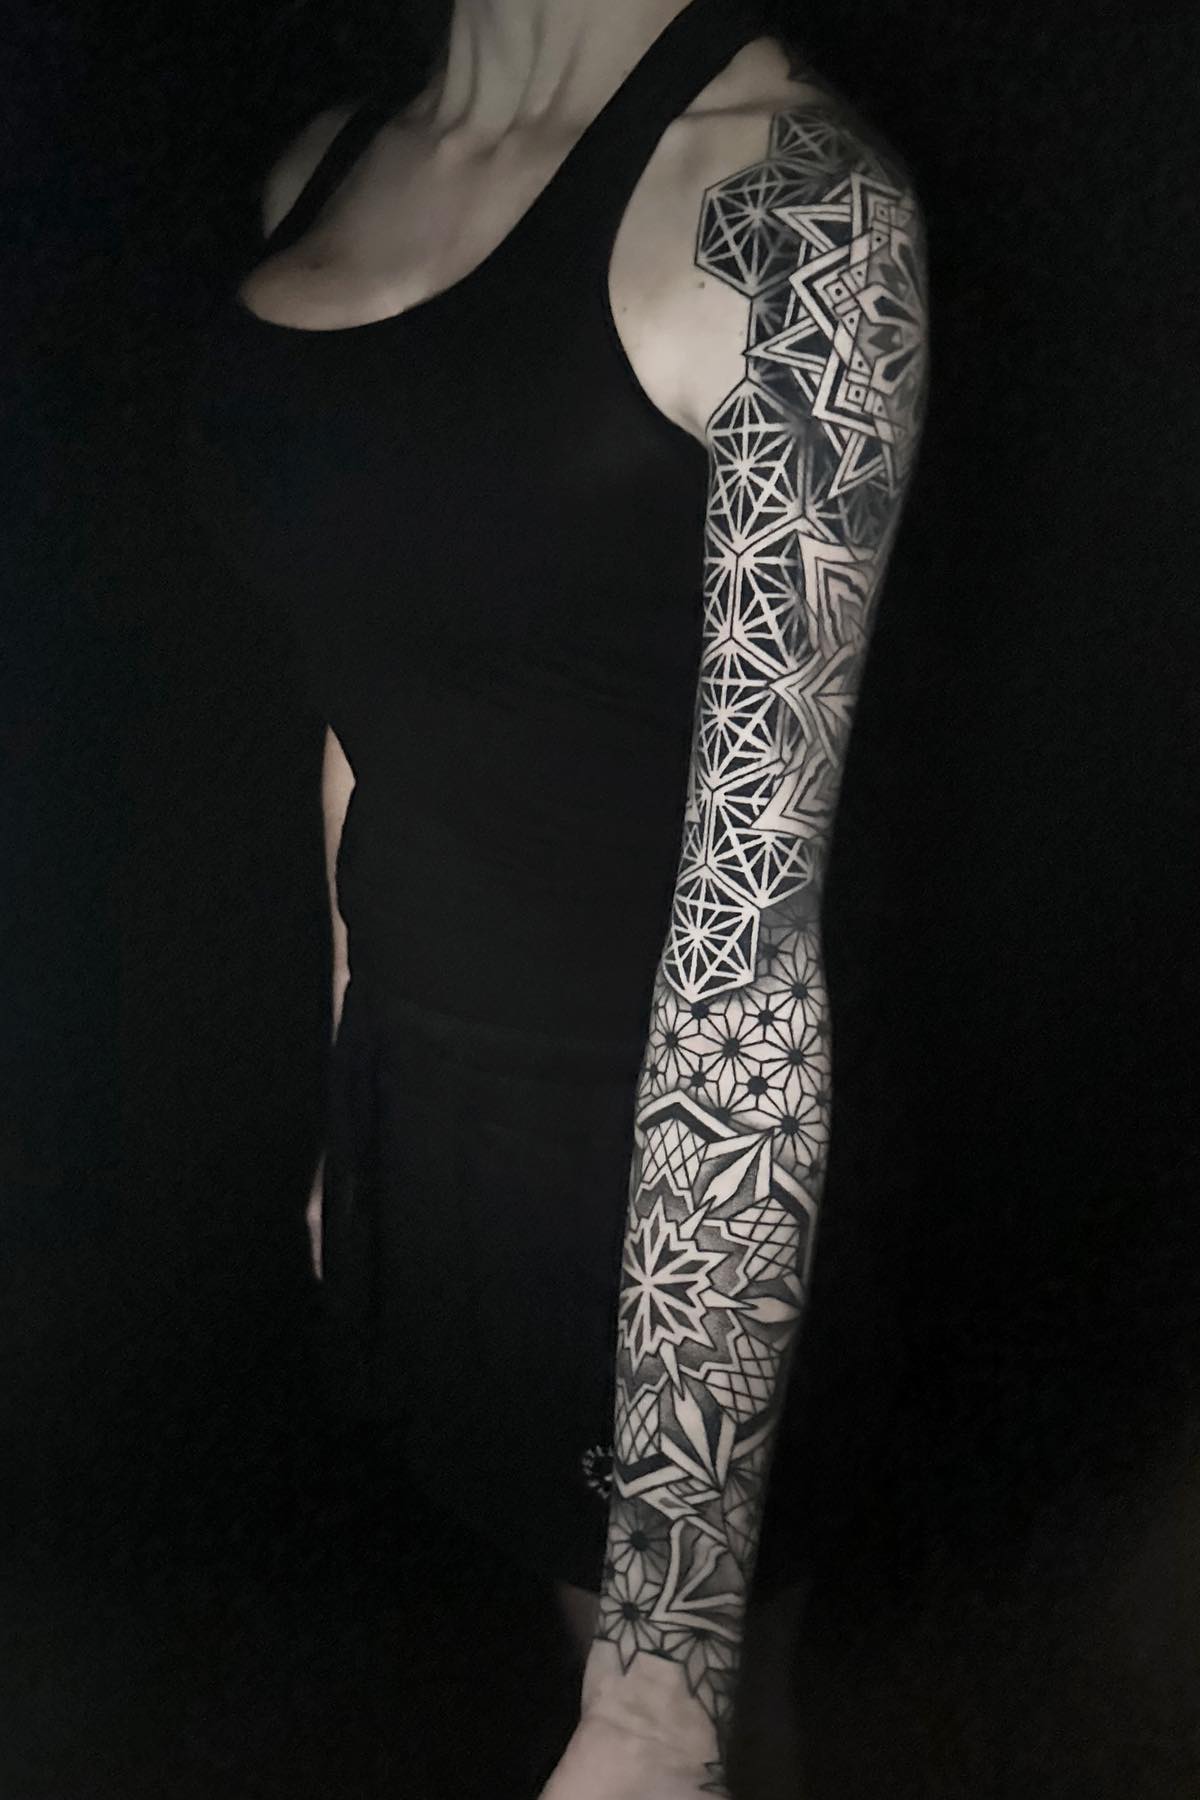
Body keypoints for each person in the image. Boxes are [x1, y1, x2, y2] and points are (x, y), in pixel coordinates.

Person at [183, 0, 928, 1791]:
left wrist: (663, 1675)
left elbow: (748, 947)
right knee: (539, 1589)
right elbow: (364, 698)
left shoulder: (795, 211)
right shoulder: (324, 168)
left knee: (684, 1724)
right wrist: (349, 1081)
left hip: (666, 1168)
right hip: (419, 1105)